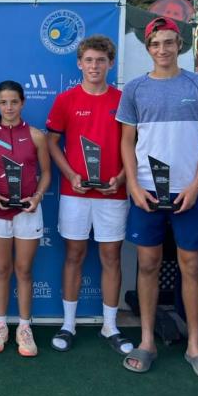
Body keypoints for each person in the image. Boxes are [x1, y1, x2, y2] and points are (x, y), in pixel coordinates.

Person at [117, 17, 198, 381]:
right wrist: (133, 184)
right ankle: (146, 341)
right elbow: (126, 142)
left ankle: (196, 347)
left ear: (179, 45)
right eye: (156, 44)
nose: (162, 49)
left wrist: (195, 185)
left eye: (169, 42)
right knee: (147, 265)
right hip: (147, 193)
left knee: (191, 266)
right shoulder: (134, 89)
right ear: (148, 49)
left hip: (189, 193)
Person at [46, 35, 132, 355]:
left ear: (110, 64)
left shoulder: (124, 100)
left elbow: (133, 146)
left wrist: (122, 176)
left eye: (101, 60)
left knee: (111, 257)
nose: (94, 66)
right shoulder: (66, 100)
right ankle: (69, 324)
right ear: (79, 64)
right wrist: (70, 174)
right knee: (74, 255)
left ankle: (110, 325)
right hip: (75, 193)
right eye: (89, 60)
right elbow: (53, 143)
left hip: (114, 193)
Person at [0, 81, 51, 357]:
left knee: (23, 271)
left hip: (28, 210)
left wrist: (37, 197)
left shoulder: (36, 135)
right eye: (3, 102)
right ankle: (0, 325)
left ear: (23, 103)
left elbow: (46, 173)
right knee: (2, 270)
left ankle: (24, 327)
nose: (9, 107)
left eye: (14, 102)